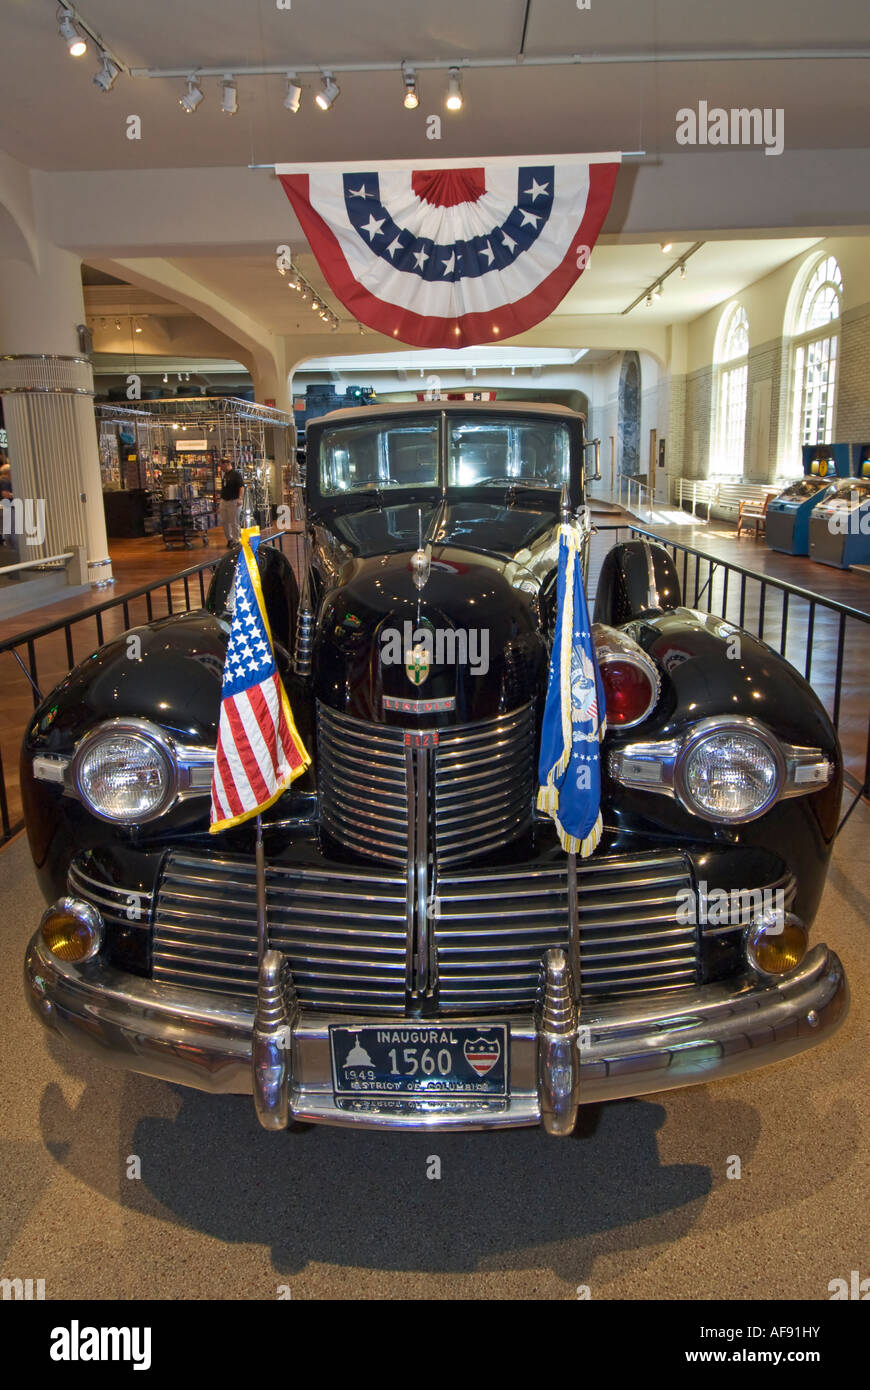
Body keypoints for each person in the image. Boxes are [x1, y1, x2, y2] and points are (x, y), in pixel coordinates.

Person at [218, 464, 244, 547]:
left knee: (234, 522)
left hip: (234, 501)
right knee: (224, 521)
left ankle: (237, 540)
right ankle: (230, 539)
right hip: (224, 500)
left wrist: (240, 498)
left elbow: (241, 487)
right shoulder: (225, 475)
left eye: (221, 466)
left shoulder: (236, 474)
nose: (220, 468)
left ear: (226, 464)